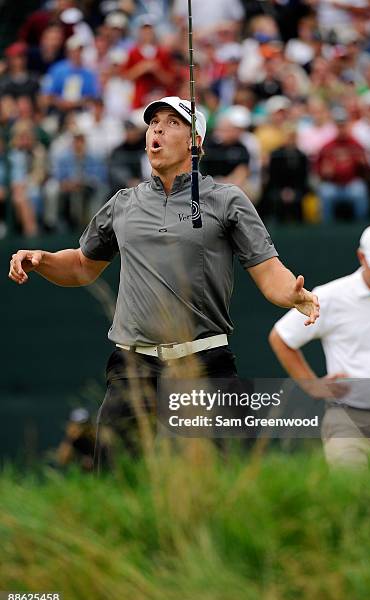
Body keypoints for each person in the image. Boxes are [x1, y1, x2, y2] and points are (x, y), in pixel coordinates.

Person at [8, 95, 319, 461]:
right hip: (134, 366)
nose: (157, 128)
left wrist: (294, 295)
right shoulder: (123, 204)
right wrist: (42, 259)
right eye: (153, 122)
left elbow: (271, 275)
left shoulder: (227, 200)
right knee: (114, 480)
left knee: (233, 474)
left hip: (205, 361)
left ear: (195, 142)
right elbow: (80, 266)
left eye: (172, 122)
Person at [269, 223, 370, 469]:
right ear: (361, 257)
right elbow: (281, 337)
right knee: (349, 490)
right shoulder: (332, 296)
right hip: (347, 418)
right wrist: (314, 386)